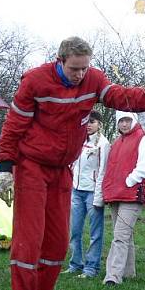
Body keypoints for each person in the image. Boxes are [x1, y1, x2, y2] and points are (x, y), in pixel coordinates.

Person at [0, 36, 145, 290]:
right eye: (74, 69)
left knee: (58, 243)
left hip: (62, 168)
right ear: (60, 61)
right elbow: (14, 123)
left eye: (84, 68)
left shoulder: (92, 80)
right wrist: (6, 168)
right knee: (29, 239)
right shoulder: (35, 81)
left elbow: (121, 96)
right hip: (31, 164)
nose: (80, 75)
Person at [101, 111, 145, 286]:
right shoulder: (117, 142)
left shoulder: (142, 138)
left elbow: (143, 168)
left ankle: (113, 276)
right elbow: (110, 168)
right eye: (121, 121)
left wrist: (128, 181)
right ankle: (129, 272)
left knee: (120, 236)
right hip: (116, 194)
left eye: (127, 120)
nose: (124, 124)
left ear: (134, 120)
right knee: (125, 235)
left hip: (132, 194)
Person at [64, 110, 110, 278]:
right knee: (75, 230)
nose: (89, 125)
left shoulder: (103, 144)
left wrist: (99, 196)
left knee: (95, 232)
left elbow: (103, 171)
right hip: (76, 191)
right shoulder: (78, 141)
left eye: (93, 122)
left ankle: (91, 267)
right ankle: (75, 263)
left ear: (99, 124)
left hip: (92, 193)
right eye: (87, 122)